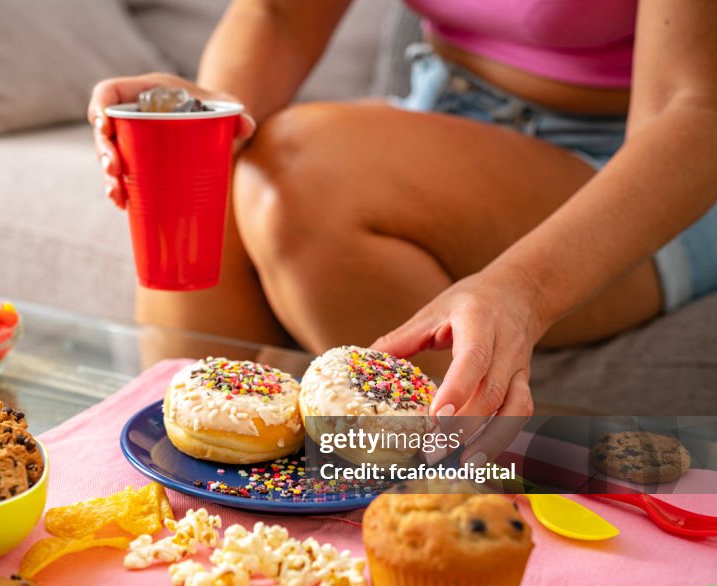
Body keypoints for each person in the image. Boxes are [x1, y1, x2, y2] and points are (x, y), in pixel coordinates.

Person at [88, 0, 717, 420]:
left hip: (643, 165)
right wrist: (209, 115)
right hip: (445, 110)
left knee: (305, 171)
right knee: (205, 176)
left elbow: (691, 113)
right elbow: (279, 15)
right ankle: (193, 533)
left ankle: (467, 510)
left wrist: (518, 291)